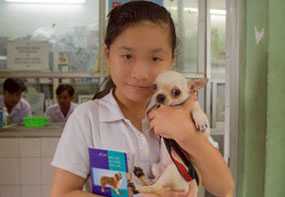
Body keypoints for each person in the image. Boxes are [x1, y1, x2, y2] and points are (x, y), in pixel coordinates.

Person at [50, 1, 234, 197]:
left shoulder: (183, 112)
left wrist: (188, 135)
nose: (141, 74)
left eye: (155, 58)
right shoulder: (87, 118)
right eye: (127, 56)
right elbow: (63, 193)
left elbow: (224, 188)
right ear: (108, 54)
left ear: (171, 60)